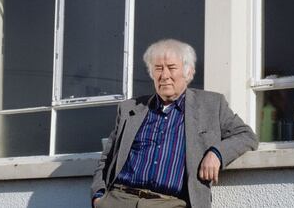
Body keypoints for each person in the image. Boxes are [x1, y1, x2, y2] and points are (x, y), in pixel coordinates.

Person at [91, 39, 257, 208]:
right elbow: (107, 157)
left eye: (171, 67)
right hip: (119, 199)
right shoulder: (130, 109)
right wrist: (98, 196)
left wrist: (217, 153)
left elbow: (246, 135)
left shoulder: (211, 105)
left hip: (168, 202)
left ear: (188, 72)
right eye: (158, 68)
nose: (164, 75)